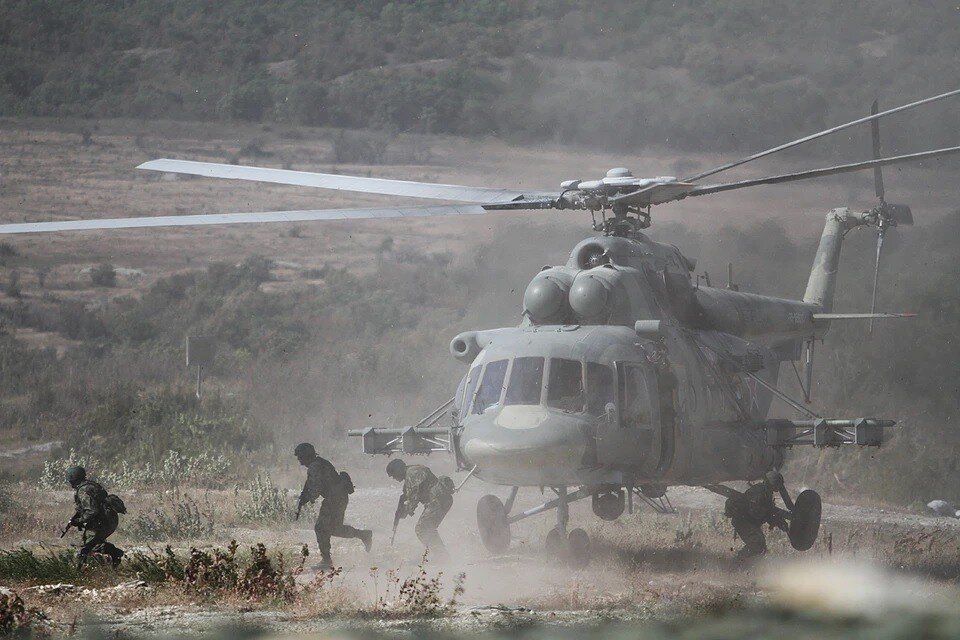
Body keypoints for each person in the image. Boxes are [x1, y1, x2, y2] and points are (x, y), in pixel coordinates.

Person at [294, 443, 372, 569]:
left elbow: (315, 488)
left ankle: (326, 561)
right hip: (338, 497)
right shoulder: (319, 463)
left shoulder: (315, 466)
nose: (300, 462)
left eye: (301, 458)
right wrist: (304, 498)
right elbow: (310, 484)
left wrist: (307, 499)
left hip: (334, 499)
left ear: (307, 455)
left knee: (320, 528)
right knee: (334, 528)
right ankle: (363, 535)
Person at [386, 459, 454, 562]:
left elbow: (413, 496)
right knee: (426, 528)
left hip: (438, 500)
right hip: (439, 500)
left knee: (422, 529)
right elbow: (407, 495)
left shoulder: (412, 473)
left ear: (399, 469)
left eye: (394, 475)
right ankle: (442, 555)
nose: (394, 478)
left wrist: (405, 511)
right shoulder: (411, 473)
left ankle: (442, 556)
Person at [66, 465, 124, 567]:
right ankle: (113, 556)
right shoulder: (91, 485)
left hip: (101, 522)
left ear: (73, 480)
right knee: (94, 544)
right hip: (110, 519)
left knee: (85, 548)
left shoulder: (83, 490)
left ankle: (80, 571)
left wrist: (78, 521)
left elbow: (92, 511)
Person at [723, 470, 789, 560]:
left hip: (748, 521)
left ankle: (750, 565)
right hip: (743, 521)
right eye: (778, 484)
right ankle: (738, 562)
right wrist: (774, 519)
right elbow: (757, 513)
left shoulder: (767, 493)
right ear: (772, 483)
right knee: (757, 544)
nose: (779, 487)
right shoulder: (759, 492)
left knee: (761, 547)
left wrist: (779, 522)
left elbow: (768, 511)